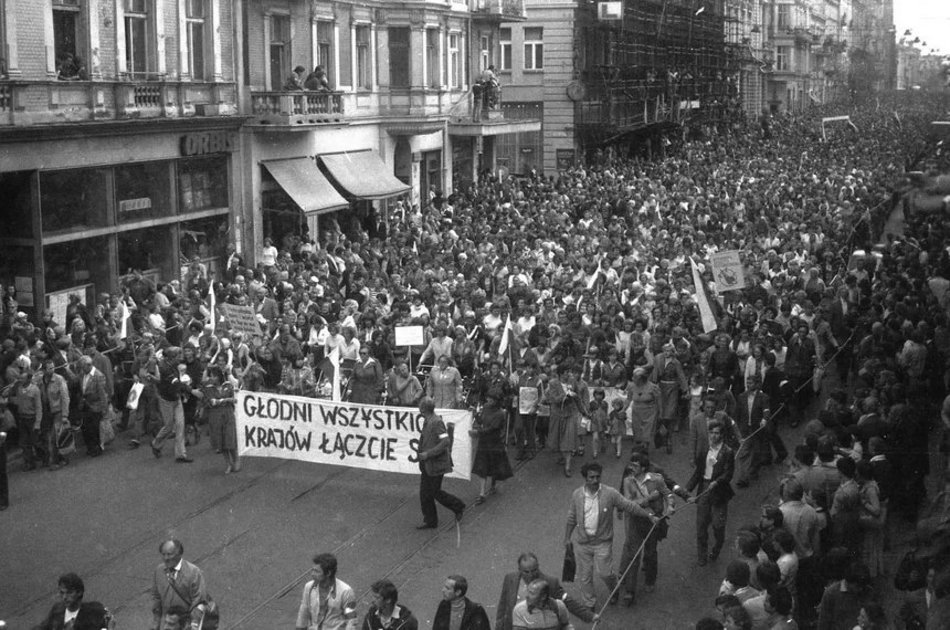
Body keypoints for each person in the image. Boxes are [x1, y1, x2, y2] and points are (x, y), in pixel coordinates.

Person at [564, 461, 658, 610]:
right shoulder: (577, 495)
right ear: (585, 479)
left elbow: (629, 506)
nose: (595, 480)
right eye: (591, 477)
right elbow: (571, 517)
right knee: (585, 576)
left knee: (606, 573)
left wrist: (648, 515)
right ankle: (590, 604)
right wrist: (567, 538)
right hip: (583, 543)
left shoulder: (610, 493)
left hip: (602, 542)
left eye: (597, 477)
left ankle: (614, 590)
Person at [619, 451, 673, 606]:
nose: (631, 468)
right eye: (631, 464)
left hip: (654, 522)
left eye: (635, 465)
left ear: (643, 468)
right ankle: (630, 591)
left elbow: (668, 494)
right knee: (633, 555)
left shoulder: (657, 479)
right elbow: (630, 503)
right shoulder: (628, 481)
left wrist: (670, 505)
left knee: (650, 553)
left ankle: (650, 579)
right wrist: (649, 498)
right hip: (637, 521)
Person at [495, 552, 595, 630]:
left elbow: (567, 601)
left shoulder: (550, 583)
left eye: (534, 570)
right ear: (519, 570)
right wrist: (498, 626)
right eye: (526, 572)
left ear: (538, 567)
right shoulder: (510, 578)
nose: (530, 575)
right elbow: (503, 605)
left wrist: (590, 616)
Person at [686, 420, 736, 566]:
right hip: (704, 489)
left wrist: (718, 481)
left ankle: (717, 547)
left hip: (719, 493)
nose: (714, 436)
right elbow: (698, 473)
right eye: (712, 433)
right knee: (701, 526)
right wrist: (687, 490)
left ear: (722, 435)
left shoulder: (727, 452)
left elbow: (729, 473)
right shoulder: (704, 450)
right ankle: (702, 555)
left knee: (717, 525)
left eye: (717, 433)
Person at [416, 397, 465, 529]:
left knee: (434, 492)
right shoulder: (428, 421)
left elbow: (445, 442)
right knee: (425, 493)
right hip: (428, 464)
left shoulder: (436, 422)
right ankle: (430, 520)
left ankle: (457, 505)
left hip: (436, 464)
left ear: (423, 409)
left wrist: (428, 453)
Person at [150, 539, 215, 630]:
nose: (166, 558)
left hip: (186, 623)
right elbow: (156, 597)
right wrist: (156, 623)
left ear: (179, 554)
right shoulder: (159, 571)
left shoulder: (193, 572)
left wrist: (194, 624)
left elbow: (199, 600)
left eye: (169, 554)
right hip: (169, 621)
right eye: (163, 554)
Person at [151, 347, 196, 463]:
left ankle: (181, 455)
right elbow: (176, 383)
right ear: (171, 358)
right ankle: (156, 444)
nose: (180, 358)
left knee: (180, 425)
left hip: (176, 398)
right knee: (169, 426)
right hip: (166, 400)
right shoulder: (164, 368)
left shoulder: (173, 365)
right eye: (177, 356)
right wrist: (190, 390)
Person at [469, 391, 513, 504]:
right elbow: (481, 421)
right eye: (488, 398)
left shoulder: (500, 414)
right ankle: (482, 493)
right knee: (482, 467)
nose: (488, 401)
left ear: (496, 401)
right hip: (484, 442)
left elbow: (491, 429)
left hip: (494, 442)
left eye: (491, 399)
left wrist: (477, 432)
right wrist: (475, 414)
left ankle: (493, 484)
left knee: (494, 466)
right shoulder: (486, 407)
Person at [295, 552, 358, 630]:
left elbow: (351, 620)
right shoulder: (309, 587)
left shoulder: (346, 591)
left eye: (316, 571)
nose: (312, 574)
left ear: (328, 573)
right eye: (312, 570)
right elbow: (304, 611)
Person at [33, 572, 109, 630]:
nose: (64, 597)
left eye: (69, 592)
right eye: (62, 593)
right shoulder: (57, 610)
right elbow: (43, 627)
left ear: (79, 592)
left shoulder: (93, 612)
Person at [202, 366, 239, 474]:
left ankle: (236, 460)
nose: (211, 378)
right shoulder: (208, 388)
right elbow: (210, 402)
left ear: (219, 376)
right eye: (210, 376)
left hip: (228, 414)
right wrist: (224, 400)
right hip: (215, 416)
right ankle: (228, 463)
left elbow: (234, 399)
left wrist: (222, 400)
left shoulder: (228, 385)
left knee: (230, 439)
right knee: (221, 441)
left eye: (214, 376)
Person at [77, 356, 108, 458]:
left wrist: (104, 409)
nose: (82, 369)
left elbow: (102, 394)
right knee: (85, 428)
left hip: (96, 406)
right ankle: (90, 447)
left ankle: (96, 448)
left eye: (83, 367)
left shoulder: (98, 376)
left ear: (88, 365)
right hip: (86, 405)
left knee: (95, 429)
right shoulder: (83, 374)